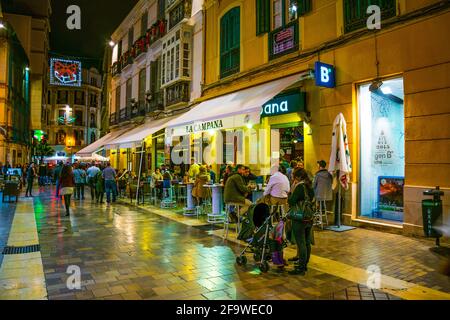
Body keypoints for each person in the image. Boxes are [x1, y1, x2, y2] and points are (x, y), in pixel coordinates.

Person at [287, 168, 315, 275]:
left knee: (301, 243)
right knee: (307, 242)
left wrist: (289, 194)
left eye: (294, 176)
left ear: (298, 177)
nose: (293, 178)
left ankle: (301, 268)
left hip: (299, 218)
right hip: (309, 217)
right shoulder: (309, 186)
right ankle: (305, 264)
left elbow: (292, 201)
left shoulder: (299, 187)